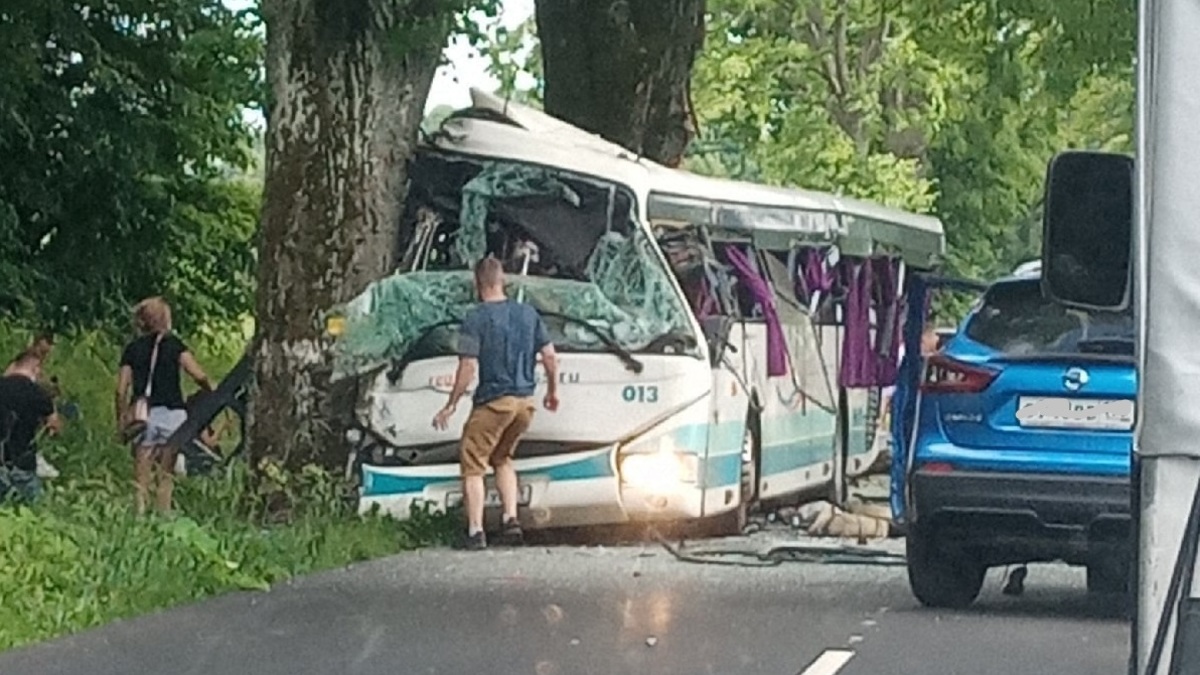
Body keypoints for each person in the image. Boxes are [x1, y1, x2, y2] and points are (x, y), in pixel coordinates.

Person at [432, 257, 559, 550]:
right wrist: (552, 391)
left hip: (493, 402)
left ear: (477, 284)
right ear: (504, 281)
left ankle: (476, 532)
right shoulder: (528, 314)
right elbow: (551, 357)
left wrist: (450, 404)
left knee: (473, 463)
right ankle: (510, 521)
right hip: (524, 404)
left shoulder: (476, 318)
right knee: (502, 458)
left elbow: (467, 366)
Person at [114, 297, 213, 515]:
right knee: (166, 472)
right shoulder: (174, 345)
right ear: (165, 319)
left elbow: (121, 389)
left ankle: (139, 514)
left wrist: (121, 417)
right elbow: (197, 374)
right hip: (173, 415)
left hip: (145, 414)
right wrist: (210, 389)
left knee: (141, 469)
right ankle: (163, 514)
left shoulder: (132, 349)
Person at [0, 351, 62, 503]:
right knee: (33, 511)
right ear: (36, 368)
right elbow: (55, 427)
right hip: (23, 464)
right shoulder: (39, 394)